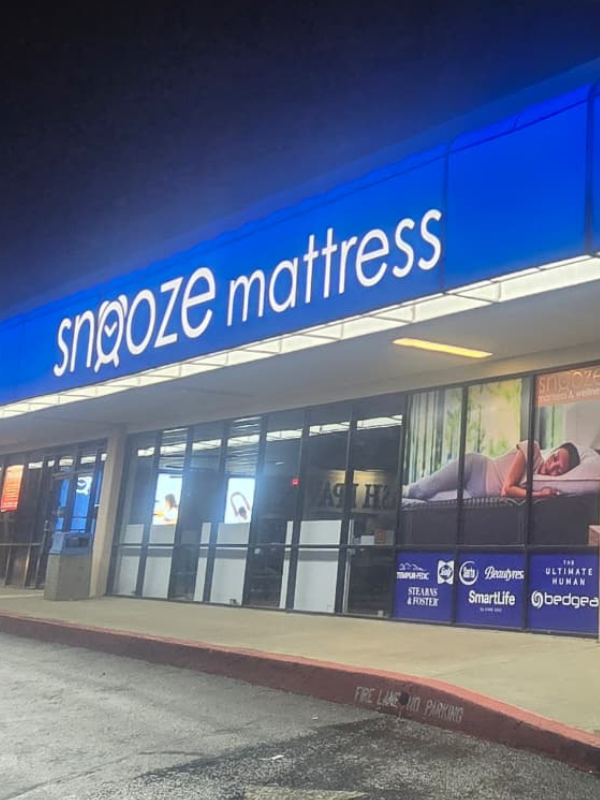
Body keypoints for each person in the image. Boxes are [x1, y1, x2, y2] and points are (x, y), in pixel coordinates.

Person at [404, 440, 580, 501]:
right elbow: (507, 490)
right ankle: (400, 491)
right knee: (422, 490)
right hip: (474, 469)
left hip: (475, 495)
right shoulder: (532, 449)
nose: (552, 466)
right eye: (555, 458)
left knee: (431, 500)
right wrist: (541, 495)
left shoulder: (542, 482)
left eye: (559, 469)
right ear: (553, 451)